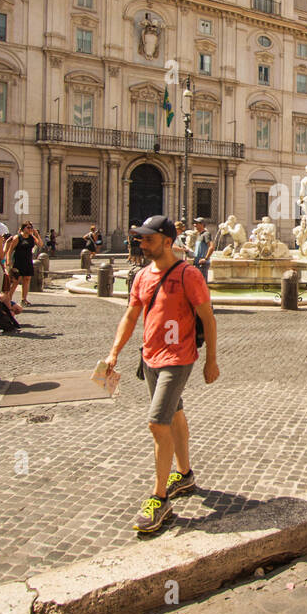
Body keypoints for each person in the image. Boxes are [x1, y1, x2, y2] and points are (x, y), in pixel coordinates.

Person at [100, 216, 218, 533]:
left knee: (157, 422)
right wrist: (114, 352)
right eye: (140, 239)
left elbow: (208, 317)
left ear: (167, 241)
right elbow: (131, 314)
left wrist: (211, 360)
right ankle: (185, 474)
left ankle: (160, 497)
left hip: (179, 358)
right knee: (174, 412)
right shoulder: (141, 277)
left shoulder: (189, 274)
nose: (142, 244)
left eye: (148, 239)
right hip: (150, 356)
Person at [9, 221, 43, 307]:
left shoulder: (32, 237)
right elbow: (10, 250)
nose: (30, 229)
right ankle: (8, 299)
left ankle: (24, 299)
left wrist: (36, 234)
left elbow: (40, 244)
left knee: (27, 280)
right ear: (23, 228)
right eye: (28, 227)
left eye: (31, 227)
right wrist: (8, 261)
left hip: (28, 261)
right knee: (16, 281)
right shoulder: (18, 237)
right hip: (18, 261)